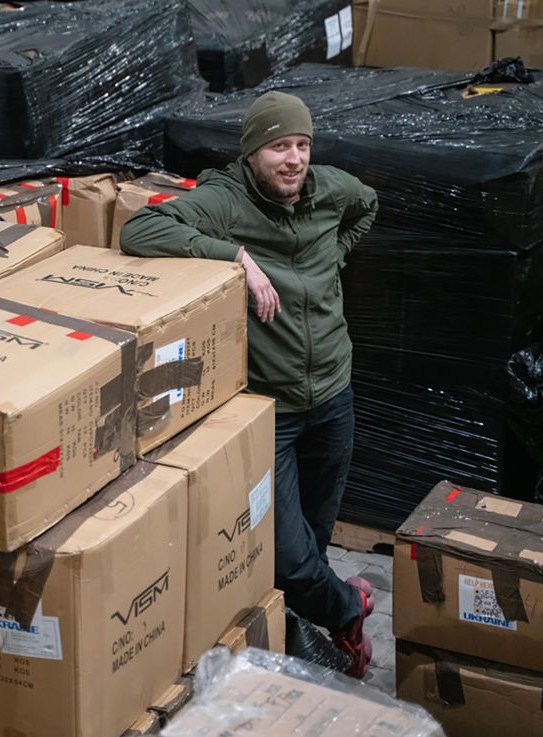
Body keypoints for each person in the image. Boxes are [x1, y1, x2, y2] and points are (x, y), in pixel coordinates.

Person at [118, 90, 379, 677]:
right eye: (279, 146)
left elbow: (369, 205)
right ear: (253, 152)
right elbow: (141, 230)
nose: (294, 159)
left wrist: (333, 256)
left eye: (303, 145)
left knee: (313, 538)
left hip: (335, 394)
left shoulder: (331, 188)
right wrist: (235, 256)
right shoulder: (225, 199)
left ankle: (308, 644)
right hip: (274, 411)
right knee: (288, 558)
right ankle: (349, 608)